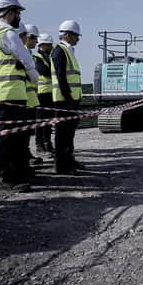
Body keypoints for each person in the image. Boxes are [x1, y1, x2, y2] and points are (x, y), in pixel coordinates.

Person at [0, 0, 39, 192]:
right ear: (9, 12)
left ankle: (15, 172)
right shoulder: (7, 33)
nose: (18, 15)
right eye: (17, 11)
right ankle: (6, 177)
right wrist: (33, 75)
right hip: (10, 92)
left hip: (0, 91)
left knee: (10, 137)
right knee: (9, 138)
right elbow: (25, 57)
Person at [51, 20, 83, 174]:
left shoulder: (68, 50)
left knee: (69, 133)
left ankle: (69, 159)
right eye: (76, 36)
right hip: (64, 100)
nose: (78, 39)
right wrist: (67, 95)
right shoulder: (59, 51)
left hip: (71, 99)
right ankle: (62, 165)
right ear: (68, 35)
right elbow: (60, 76)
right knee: (63, 133)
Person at [21, 24, 43, 165]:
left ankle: (26, 153)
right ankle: (24, 156)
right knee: (22, 131)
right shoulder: (22, 53)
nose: (36, 41)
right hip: (23, 99)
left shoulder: (29, 54)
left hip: (31, 97)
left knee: (27, 130)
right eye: (33, 38)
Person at [34, 33, 54, 155]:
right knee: (40, 120)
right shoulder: (36, 57)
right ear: (42, 45)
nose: (51, 47)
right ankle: (39, 144)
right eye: (49, 45)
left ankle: (47, 143)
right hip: (41, 92)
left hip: (50, 92)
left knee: (49, 120)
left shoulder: (49, 56)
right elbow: (44, 71)